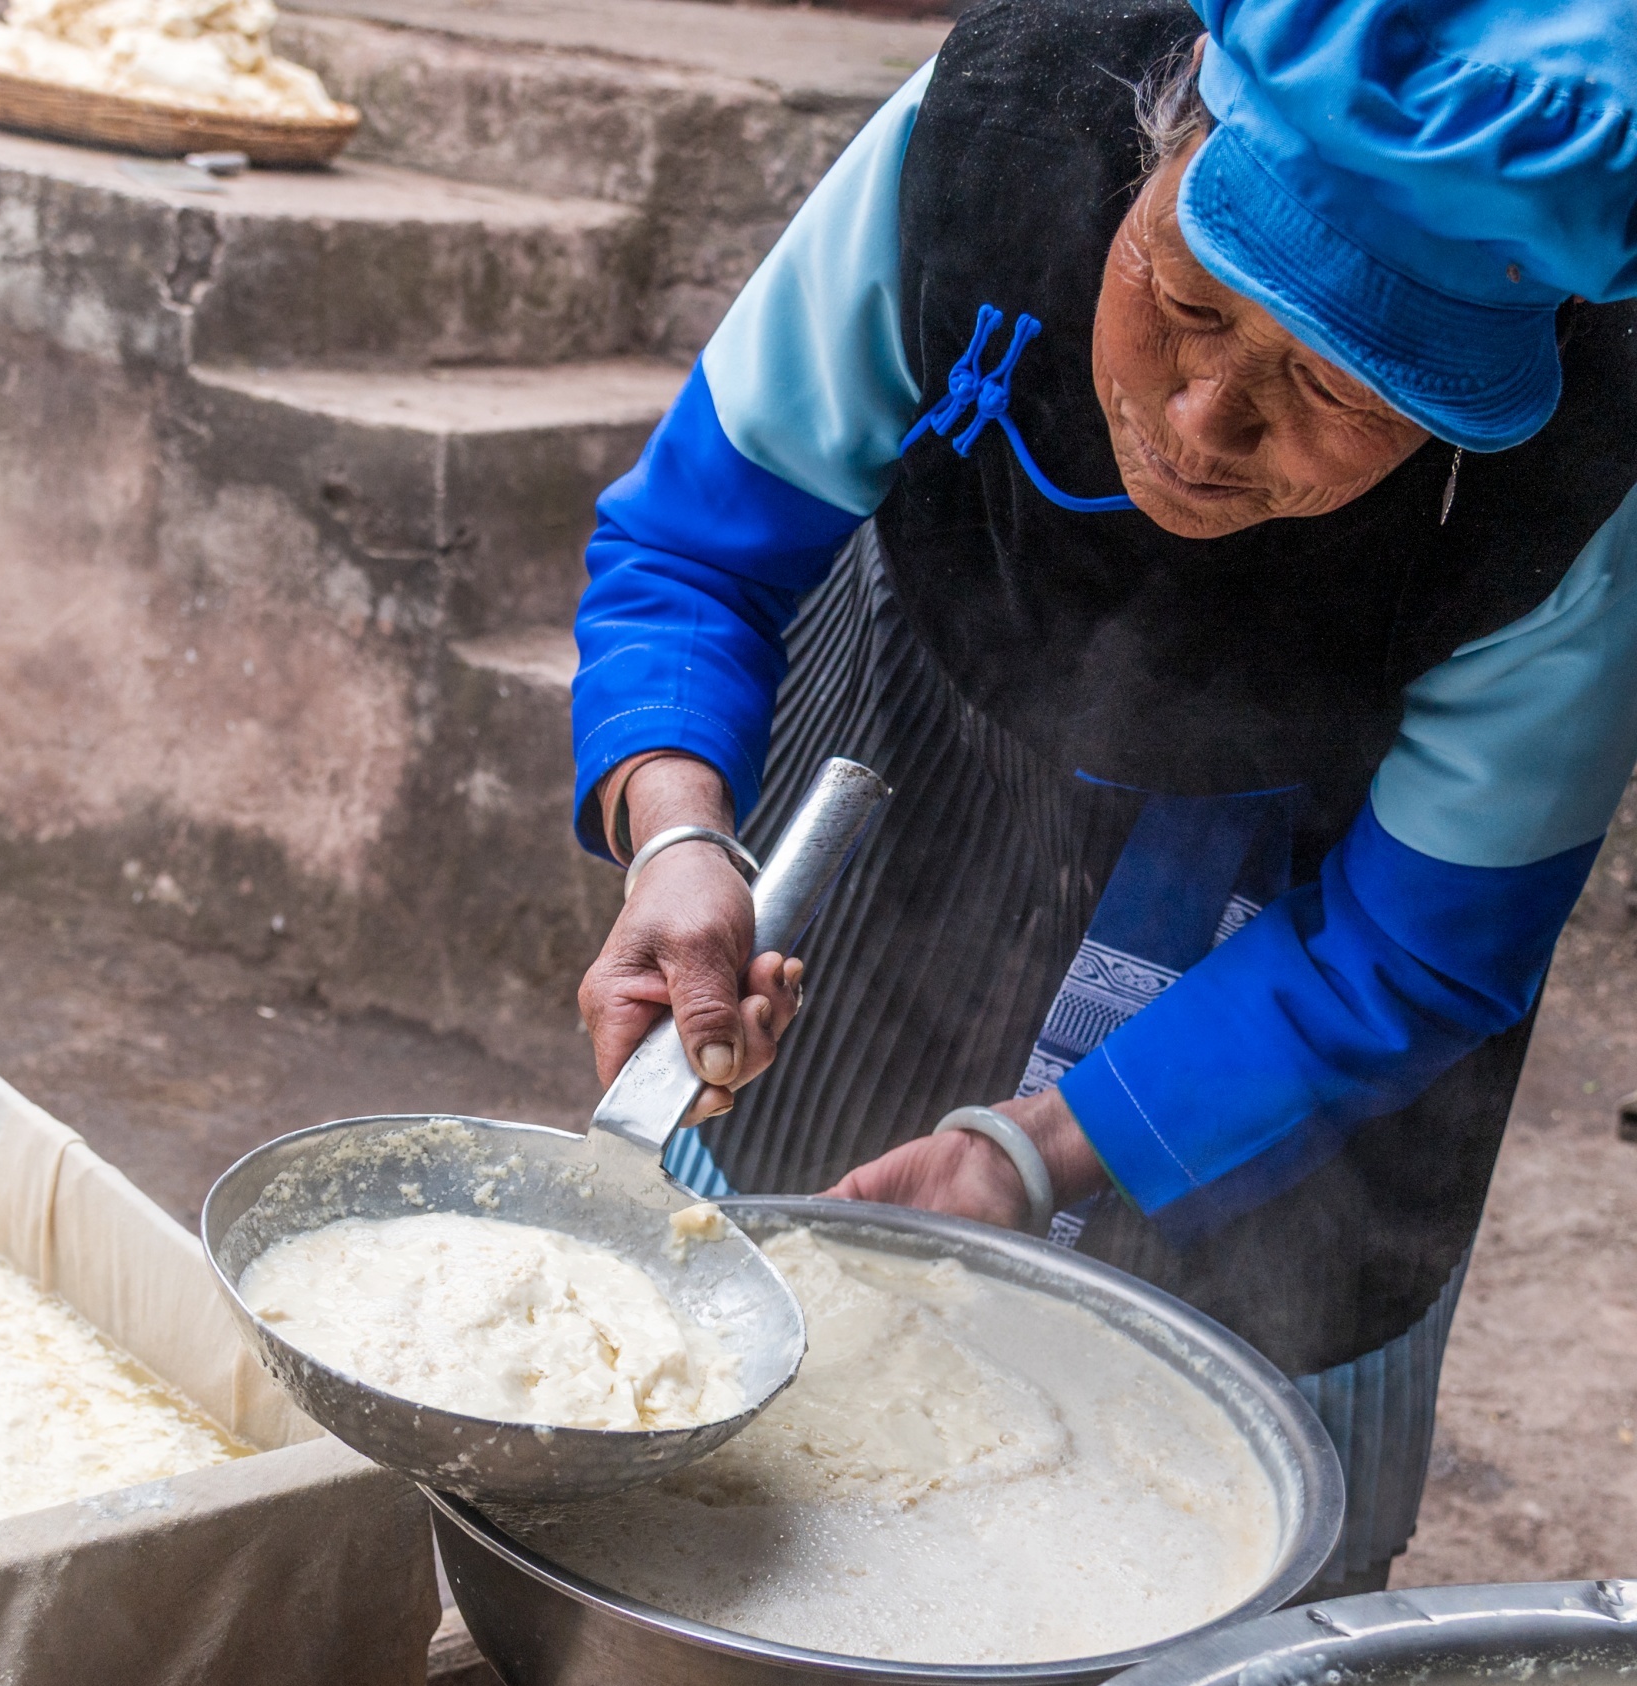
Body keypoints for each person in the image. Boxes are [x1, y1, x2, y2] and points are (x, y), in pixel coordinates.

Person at [568, 0, 1637, 1593]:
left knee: (1203, 1531)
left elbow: (1420, 943)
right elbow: (695, 547)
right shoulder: (994, 127)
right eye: (1183, 299)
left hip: (1311, 920)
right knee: (755, 1418)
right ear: (1156, 147)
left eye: (1340, 391)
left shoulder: (1590, 465)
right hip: (927, 765)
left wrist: (1038, 1150)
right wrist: (677, 830)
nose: (1204, 425)